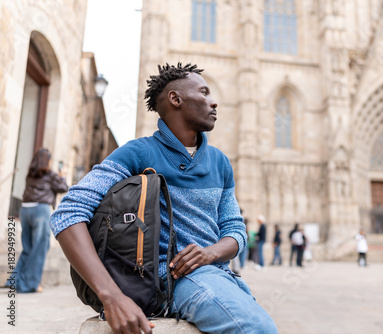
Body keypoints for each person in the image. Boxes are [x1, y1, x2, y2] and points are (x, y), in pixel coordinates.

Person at [49, 63, 277, 334]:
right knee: (259, 329)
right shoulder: (139, 152)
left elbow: (235, 229)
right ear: (175, 99)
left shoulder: (220, 163)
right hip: (174, 282)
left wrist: (209, 253)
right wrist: (111, 296)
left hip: (220, 276)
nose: (213, 102)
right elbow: (68, 213)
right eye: (203, 93)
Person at [12, 148, 68, 293]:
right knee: (40, 247)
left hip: (25, 210)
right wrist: (62, 176)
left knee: (28, 247)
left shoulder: (30, 175)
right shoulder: (50, 174)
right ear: (47, 161)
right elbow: (63, 188)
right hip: (40, 211)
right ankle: (30, 284)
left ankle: (14, 280)